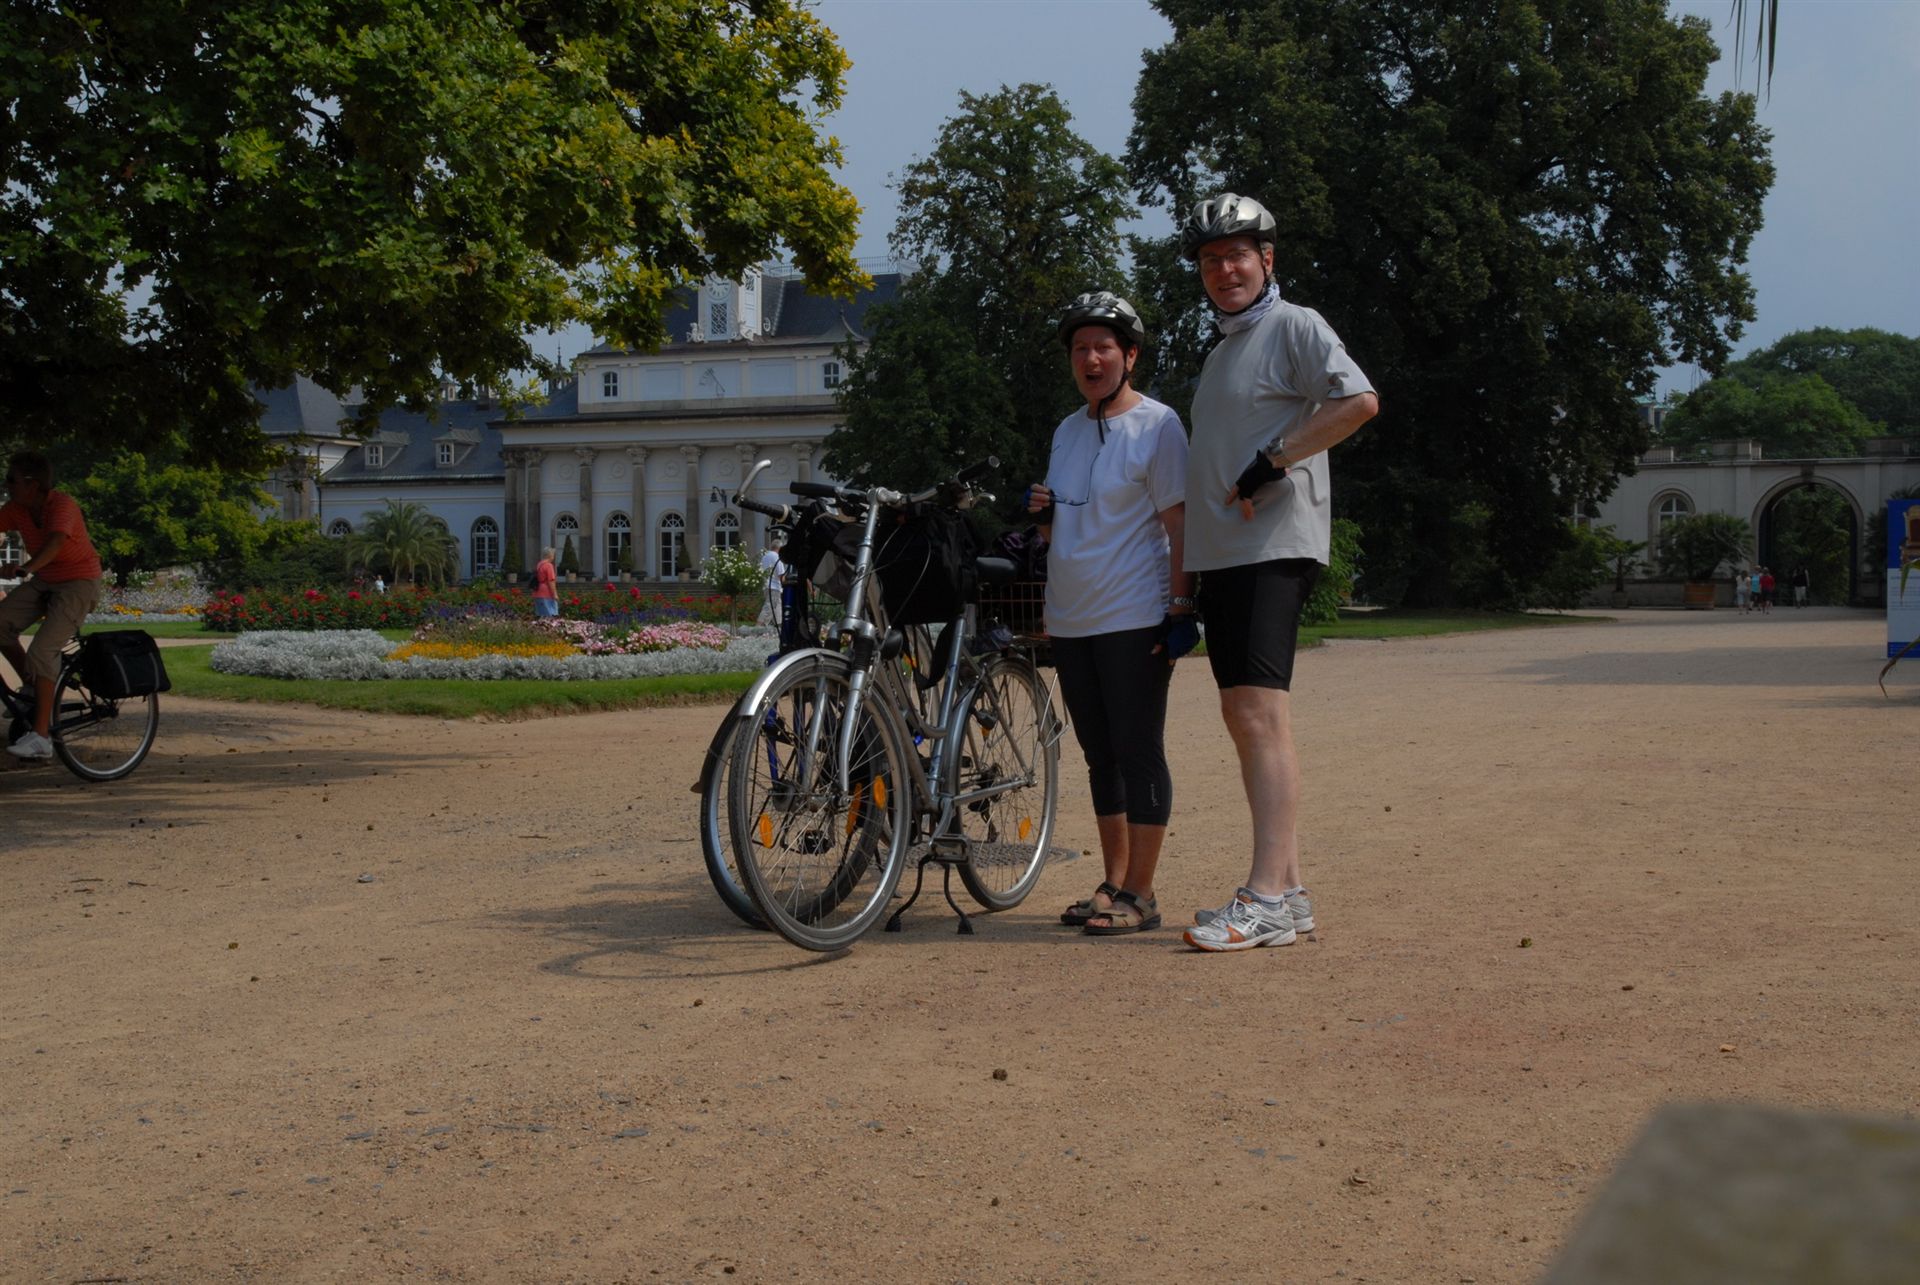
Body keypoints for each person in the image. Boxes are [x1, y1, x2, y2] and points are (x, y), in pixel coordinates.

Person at [1172, 194, 1380, 953]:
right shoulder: (1224, 348)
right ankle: (1287, 894)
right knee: (1251, 716)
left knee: (1257, 715)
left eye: (1237, 255)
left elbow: (1359, 401)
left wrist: (1276, 458)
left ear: (1267, 259)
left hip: (1270, 547)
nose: (1224, 270)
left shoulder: (1294, 324)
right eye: (1210, 260)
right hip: (1228, 553)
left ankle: (1262, 896)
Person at [1029, 291, 1196, 935]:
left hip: (1134, 614)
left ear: (1130, 356)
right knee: (1100, 756)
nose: (1091, 359)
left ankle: (1142, 894)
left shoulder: (1159, 425)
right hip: (1073, 619)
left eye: (1103, 347)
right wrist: (1044, 517)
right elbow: (1065, 531)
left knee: (1137, 749)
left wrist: (1181, 608)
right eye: (1080, 349)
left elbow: (1179, 525)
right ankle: (1115, 880)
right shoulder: (1067, 430)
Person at [0, 452, 105, 761]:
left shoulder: (62, 505)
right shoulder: (17, 508)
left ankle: (42, 737)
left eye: (11, 480)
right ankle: (32, 687)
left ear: (32, 484)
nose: (7, 486)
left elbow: (56, 542)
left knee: (43, 650)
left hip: (78, 582)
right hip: (46, 579)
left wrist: (26, 567)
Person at [758, 533, 787, 627]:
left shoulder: (765, 556)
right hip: (774, 586)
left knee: (777, 607)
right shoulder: (777, 557)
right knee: (769, 607)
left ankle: (779, 626)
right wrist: (786, 584)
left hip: (766, 585)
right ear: (780, 548)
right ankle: (758, 627)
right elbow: (781, 574)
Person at [532, 546, 559, 618]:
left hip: (538, 591)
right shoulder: (549, 566)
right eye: (553, 555)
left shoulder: (539, 564)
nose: (553, 557)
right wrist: (555, 594)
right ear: (550, 555)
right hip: (547, 593)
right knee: (550, 616)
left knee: (540, 616)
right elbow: (551, 581)